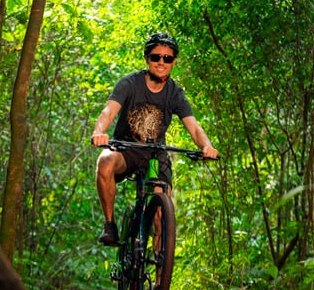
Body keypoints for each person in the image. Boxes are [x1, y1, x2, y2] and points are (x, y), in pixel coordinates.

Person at [90, 32, 219, 246]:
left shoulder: (174, 93)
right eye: (156, 57)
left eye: (167, 58)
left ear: (173, 62)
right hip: (126, 149)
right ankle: (110, 224)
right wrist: (99, 132)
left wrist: (207, 146)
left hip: (153, 157)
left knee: (161, 211)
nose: (161, 62)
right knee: (104, 162)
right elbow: (108, 111)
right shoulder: (130, 83)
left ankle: (161, 276)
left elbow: (194, 128)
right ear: (147, 58)